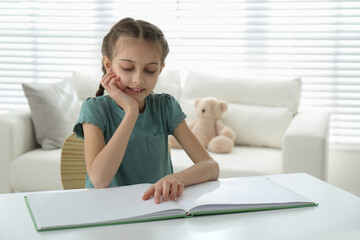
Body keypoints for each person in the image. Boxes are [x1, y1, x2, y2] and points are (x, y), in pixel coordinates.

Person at [73, 18, 219, 204]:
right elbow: (100, 180)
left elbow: (211, 167)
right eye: (127, 68)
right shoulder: (94, 109)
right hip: (107, 212)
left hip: (155, 208)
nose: (138, 80)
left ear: (160, 69)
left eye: (150, 70)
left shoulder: (165, 107)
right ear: (108, 65)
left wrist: (175, 178)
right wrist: (131, 112)